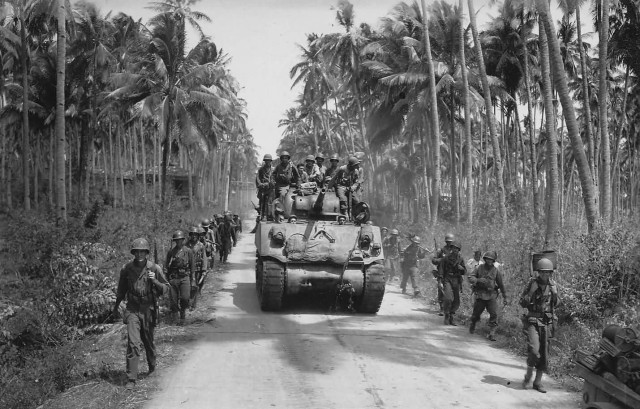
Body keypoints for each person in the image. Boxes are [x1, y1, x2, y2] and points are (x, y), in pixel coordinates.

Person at [113, 238, 169, 389]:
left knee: (148, 340)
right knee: (133, 343)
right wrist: (116, 306)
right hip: (132, 308)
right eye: (136, 251)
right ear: (133, 252)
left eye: (142, 251)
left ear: (147, 252)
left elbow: (165, 288)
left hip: (148, 308)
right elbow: (121, 289)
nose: (139, 254)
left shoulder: (154, 268)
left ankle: (152, 364)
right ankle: (131, 378)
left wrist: (155, 281)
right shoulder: (127, 269)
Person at [519, 258, 559, 393]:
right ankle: (528, 375)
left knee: (544, 354)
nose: (545, 275)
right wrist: (531, 292)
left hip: (547, 323)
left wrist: (555, 294)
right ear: (538, 273)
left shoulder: (553, 285)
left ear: (550, 273)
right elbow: (522, 303)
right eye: (542, 273)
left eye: (547, 273)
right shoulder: (532, 283)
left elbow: (556, 305)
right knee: (534, 351)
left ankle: (537, 382)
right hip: (533, 322)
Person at [468, 251, 508, 341]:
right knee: (476, 314)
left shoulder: (496, 271)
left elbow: (501, 284)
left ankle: (492, 333)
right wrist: (478, 280)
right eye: (488, 259)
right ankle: (473, 323)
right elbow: (470, 277)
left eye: (491, 260)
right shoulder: (479, 268)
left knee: (494, 313)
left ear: (493, 261)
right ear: (485, 259)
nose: (489, 261)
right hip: (480, 295)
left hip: (491, 295)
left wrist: (505, 297)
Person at [165, 230, 195, 325]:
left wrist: (193, 278)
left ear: (183, 240)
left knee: (185, 298)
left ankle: (182, 313)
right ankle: (175, 317)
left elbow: (192, 266)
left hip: (184, 277)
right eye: (176, 240)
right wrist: (167, 278)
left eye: (180, 240)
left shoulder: (188, 251)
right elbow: (166, 266)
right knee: (173, 300)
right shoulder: (171, 252)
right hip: (173, 278)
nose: (178, 242)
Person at [436, 240, 466, 325]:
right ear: (451, 248)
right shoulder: (446, 258)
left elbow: (465, 271)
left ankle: (451, 315)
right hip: (448, 279)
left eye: (457, 248)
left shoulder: (460, 259)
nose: (455, 250)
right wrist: (440, 282)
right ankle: (446, 314)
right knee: (448, 298)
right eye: (453, 248)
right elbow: (441, 270)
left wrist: (462, 269)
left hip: (456, 280)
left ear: (459, 250)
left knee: (456, 300)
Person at [431, 233, 456, 315]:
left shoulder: (455, 250)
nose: (449, 243)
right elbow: (434, 260)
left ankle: (451, 308)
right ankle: (442, 308)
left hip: (452, 274)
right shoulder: (441, 250)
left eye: (451, 241)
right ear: (446, 241)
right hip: (442, 273)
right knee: (441, 290)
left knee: (452, 292)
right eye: (448, 241)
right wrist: (442, 259)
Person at [270, 151, 300, 218]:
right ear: (281, 159)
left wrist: (298, 184)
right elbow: (273, 174)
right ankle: (272, 212)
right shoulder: (278, 166)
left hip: (285, 184)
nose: (284, 159)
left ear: (288, 158)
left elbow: (297, 176)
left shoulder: (292, 166)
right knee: (274, 197)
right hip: (278, 184)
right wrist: (272, 181)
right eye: (283, 158)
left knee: (282, 194)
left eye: (286, 158)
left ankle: (280, 211)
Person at [187, 226, 208, 310]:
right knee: (188, 287)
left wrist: (204, 270)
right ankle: (188, 303)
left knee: (196, 287)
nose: (194, 236)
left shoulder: (201, 245)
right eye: (192, 234)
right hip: (188, 270)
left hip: (198, 270)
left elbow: (204, 257)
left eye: (196, 234)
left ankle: (193, 305)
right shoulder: (186, 245)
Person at [253, 154, 274, 232]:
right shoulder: (261, 169)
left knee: (270, 202)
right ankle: (263, 215)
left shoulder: (273, 170)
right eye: (266, 161)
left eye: (269, 160)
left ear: (270, 161)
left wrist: (269, 184)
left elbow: (273, 179)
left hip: (270, 189)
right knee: (262, 202)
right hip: (262, 189)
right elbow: (257, 178)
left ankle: (269, 215)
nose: (267, 162)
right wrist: (260, 185)